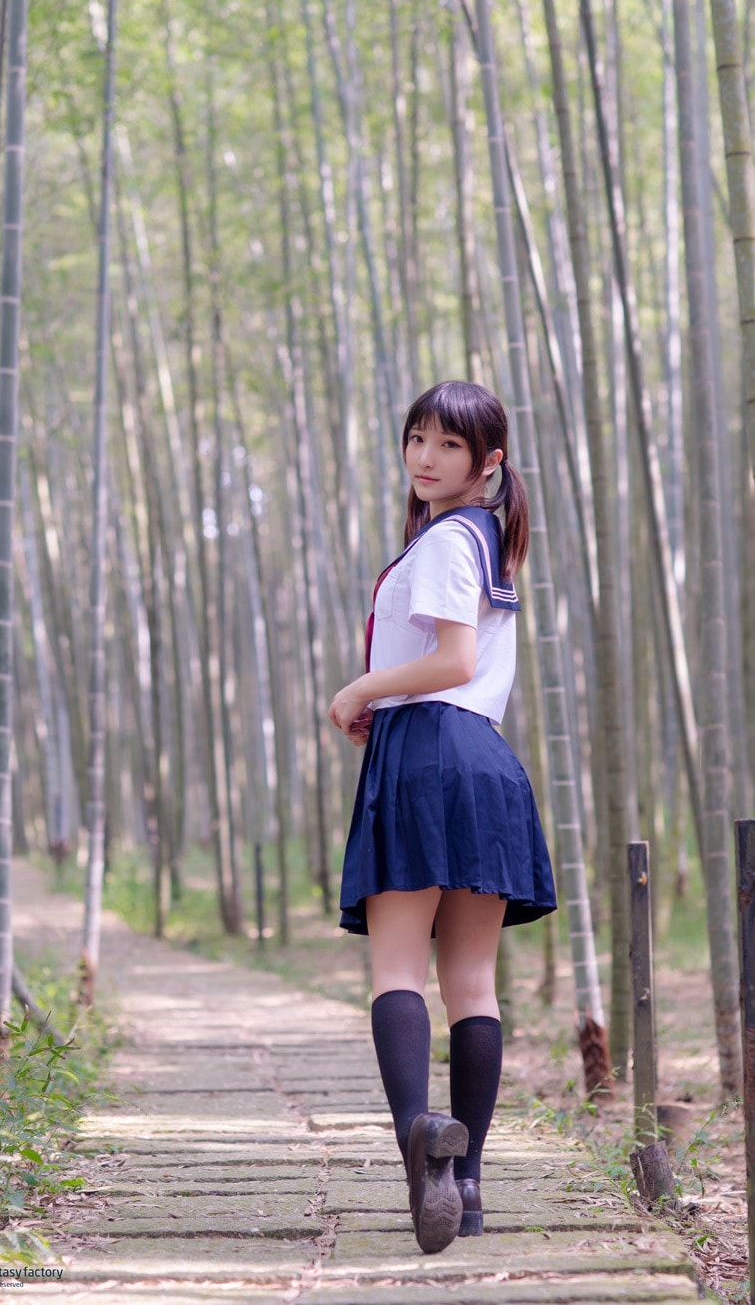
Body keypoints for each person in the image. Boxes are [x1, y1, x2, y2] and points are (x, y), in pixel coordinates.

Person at [328, 380, 557, 1255]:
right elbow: (467, 666)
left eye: (449, 445)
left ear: (488, 461)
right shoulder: (488, 539)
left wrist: (361, 689)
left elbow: (452, 658)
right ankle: (467, 1187)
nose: (425, 457)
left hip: (426, 754)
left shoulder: (446, 541)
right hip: (485, 760)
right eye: (417, 437)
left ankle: (421, 1141)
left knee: (398, 968)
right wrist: (384, 699)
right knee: (472, 981)